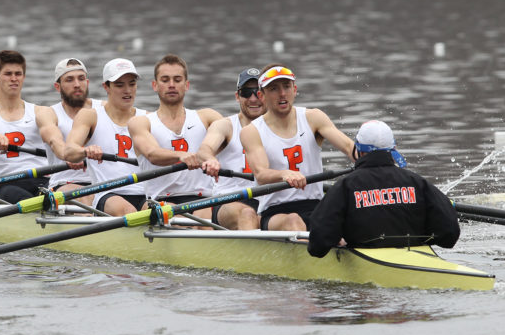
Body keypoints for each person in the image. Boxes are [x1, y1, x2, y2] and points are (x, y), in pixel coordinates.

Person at [307, 120, 460, 256]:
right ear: (393, 148)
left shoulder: (345, 186)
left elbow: (317, 246)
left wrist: (337, 239)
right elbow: (449, 235)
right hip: (414, 257)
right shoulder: (418, 182)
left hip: (365, 264)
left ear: (359, 150)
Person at [240, 64, 355, 231]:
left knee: (349, 217)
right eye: (273, 89)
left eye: (286, 87)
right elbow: (261, 174)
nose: (282, 94)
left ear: (295, 90)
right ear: (261, 95)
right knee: (293, 221)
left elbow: (348, 147)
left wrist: (371, 156)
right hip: (275, 213)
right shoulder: (251, 131)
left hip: (315, 207)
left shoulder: (314, 117)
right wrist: (284, 174)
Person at [129, 54, 222, 222]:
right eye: (165, 80)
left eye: (177, 80)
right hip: (162, 201)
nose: (171, 85)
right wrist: (181, 155)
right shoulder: (141, 123)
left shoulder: (208, 117)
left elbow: (238, 135)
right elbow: (152, 153)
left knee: (205, 215)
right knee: (179, 217)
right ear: (155, 86)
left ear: (186, 85)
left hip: (204, 200)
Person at [64, 58, 148, 216]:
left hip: (144, 193)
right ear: (106, 87)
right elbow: (69, 150)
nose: (127, 90)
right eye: (119, 85)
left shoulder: (148, 118)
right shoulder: (90, 116)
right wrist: (85, 151)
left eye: (132, 83)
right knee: (128, 211)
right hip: (107, 194)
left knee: (161, 213)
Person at [0, 50, 53, 203]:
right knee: (11, 192)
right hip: (8, 184)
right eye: (8, 74)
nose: (14, 79)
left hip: (44, 180)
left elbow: (56, 138)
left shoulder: (41, 112)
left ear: (24, 77)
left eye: (18, 74)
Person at [196, 67, 264, 230]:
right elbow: (204, 149)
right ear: (237, 96)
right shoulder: (225, 126)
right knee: (248, 215)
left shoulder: (278, 127)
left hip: (267, 201)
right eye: (247, 93)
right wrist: (210, 159)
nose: (253, 98)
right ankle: (255, 255)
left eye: (259, 92)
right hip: (230, 202)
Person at [42, 57, 98, 202]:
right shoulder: (49, 114)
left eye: (81, 79)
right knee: (84, 197)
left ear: (87, 82)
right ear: (57, 86)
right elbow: (56, 143)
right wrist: (70, 154)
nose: (77, 84)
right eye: (69, 80)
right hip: (65, 183)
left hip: (104, 183)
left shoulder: (104, 109)